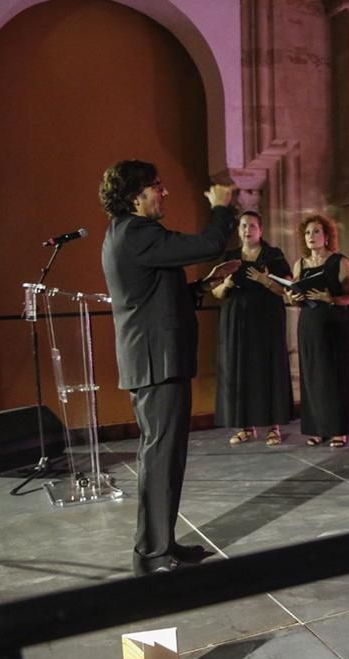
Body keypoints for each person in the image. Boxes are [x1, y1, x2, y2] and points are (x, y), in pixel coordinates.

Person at [99, 159, 236, 575]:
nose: (164, 193)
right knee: (160, 459)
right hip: (156, 362)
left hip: (156, 359)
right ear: (135, 195)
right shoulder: (138, 232)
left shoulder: (129, 235)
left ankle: (163, 544)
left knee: (165, 458)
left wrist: (202, 285)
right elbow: (208, 242)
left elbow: (154, 294)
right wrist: (221, 206)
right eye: (157, 187)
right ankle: (152, 554)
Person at [211, 211, 295, 447]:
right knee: (240, 370)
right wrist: (226, 284)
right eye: (243, 226)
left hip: (266, 321)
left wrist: (264, 280)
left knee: (267, 369)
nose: (247, 230)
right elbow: (214, 292)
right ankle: (245, 427)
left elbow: (286, 289)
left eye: (252, 226)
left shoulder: (273, 255)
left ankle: (273, 427)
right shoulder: (230, 257)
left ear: (261, 230)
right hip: (236, 322)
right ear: (239, 230)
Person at [286, 214, 349, 448]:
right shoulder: (300, 264)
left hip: (335, 326)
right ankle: (315, 429)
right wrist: (293, 296)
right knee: (312, 376)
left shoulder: (339, 261)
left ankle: (338, 430)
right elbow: (297, 295)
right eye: (307, 232)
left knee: (334, 377)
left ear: (327, 236)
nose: (311, 236)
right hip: (309, 325)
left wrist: (331, 298)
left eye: (316, 231)